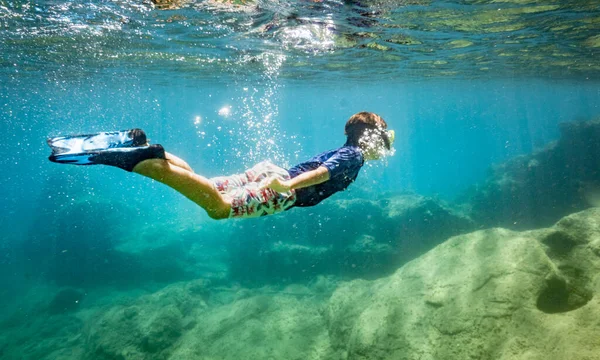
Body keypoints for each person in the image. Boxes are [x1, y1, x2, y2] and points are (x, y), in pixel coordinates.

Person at [48, 112, 394, 220]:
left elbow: (323, 165)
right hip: (283, 190)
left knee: (204, 182)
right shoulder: (355, 155)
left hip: (273, 175)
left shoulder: (347, 148)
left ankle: (154, 153)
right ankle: (146, 163)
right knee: (220, 208)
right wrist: (287, 187)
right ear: (371, 138)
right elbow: (322, 173)